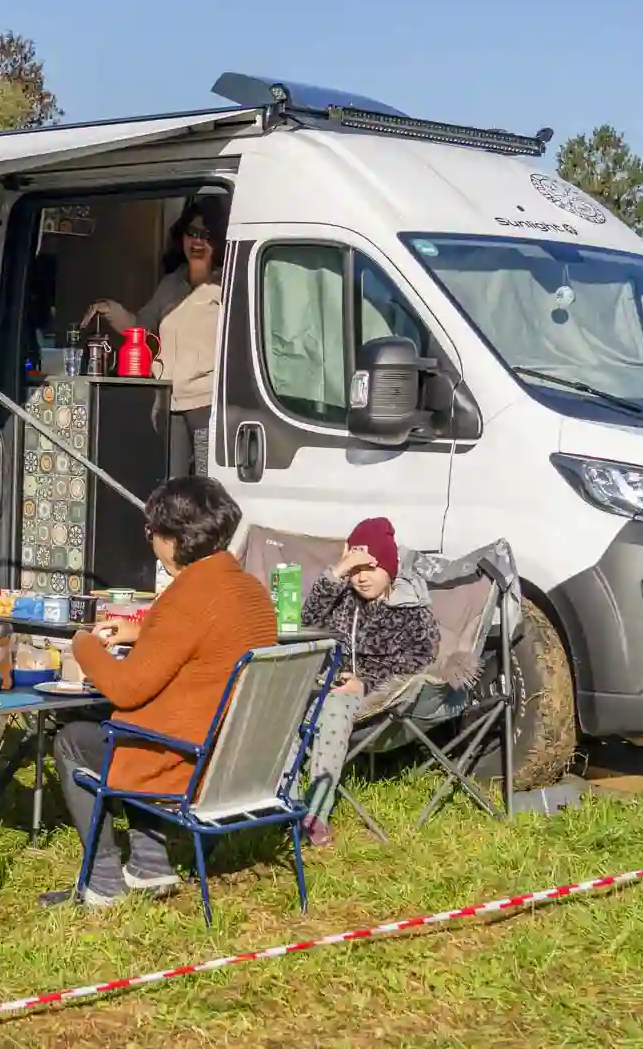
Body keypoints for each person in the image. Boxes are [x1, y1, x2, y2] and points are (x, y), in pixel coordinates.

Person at [42, 476, 278, 909]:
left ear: (174, 538)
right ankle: (150, 864)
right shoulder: (251, 590)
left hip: (190, 763)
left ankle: (102, 881)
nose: (151, 542)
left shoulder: (188, 595)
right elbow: (203, 638)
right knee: (135, 729)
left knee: (75, 739)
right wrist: (142, 628)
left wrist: (82, 644)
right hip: (242, 762)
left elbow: (126, 689)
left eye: (153, 533)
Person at [297, 516, 440, 845]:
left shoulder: (409, 607)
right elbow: (305, 621)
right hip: (329, 682)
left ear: (390, 569)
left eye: (370, 569)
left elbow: (423, 657)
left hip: (380, 698)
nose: (361, 579)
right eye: (355, 570)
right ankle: (284, 801)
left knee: (332, 707)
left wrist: (366, 680)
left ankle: (314, 813)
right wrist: (336, 573)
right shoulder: (344, 598)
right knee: (286, 707)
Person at [80, 196, 228, 478]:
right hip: (170, 402)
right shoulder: (171, 283)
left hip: (207, 405)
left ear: (218, 240)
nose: (197, 241)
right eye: (192, 233)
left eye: (206, 235)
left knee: (205, 485)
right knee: (172, 484)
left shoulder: (225, 283)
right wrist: (111, 310)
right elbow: (142, 329)